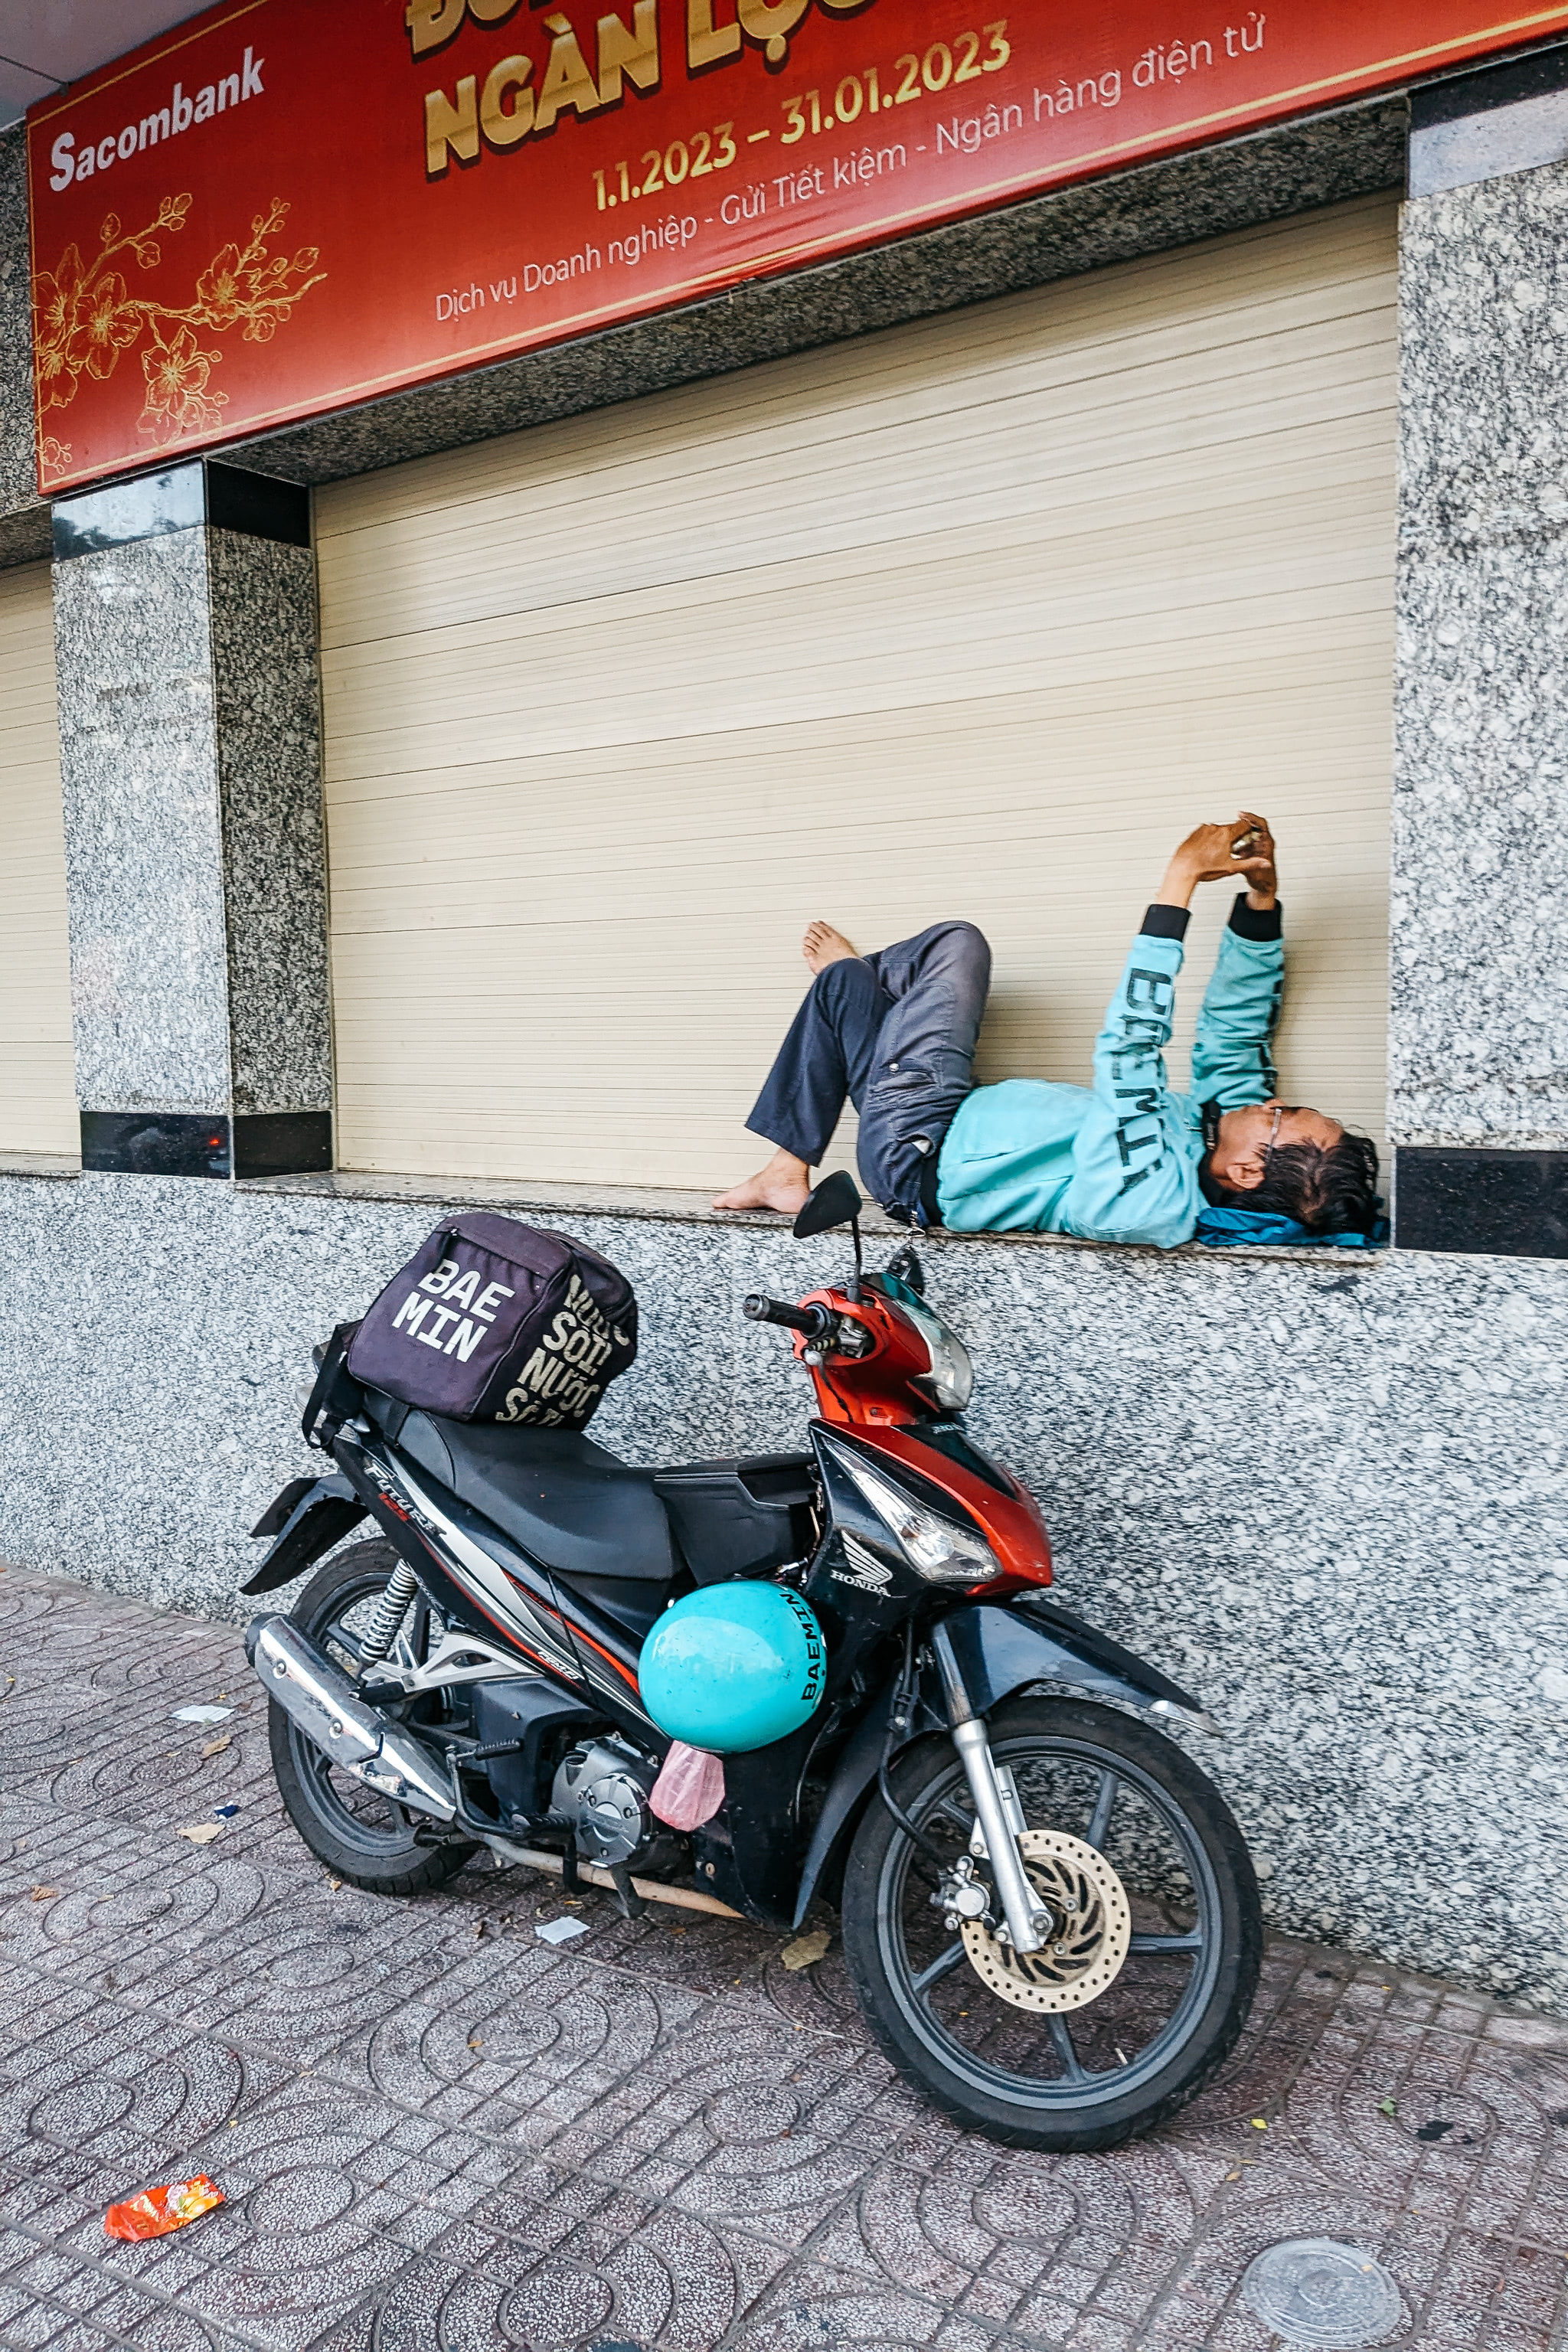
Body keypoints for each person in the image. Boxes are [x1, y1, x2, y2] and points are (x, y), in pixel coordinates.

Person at [712, 815, 1382, 1247]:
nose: (1272, 1100)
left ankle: (861, 1000)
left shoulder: (1152, 1199)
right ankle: (794, 1141)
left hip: (918, 1152)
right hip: (948, 1107)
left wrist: (1178, 883)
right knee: (848, 987)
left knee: (956, 946)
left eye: (1283, 1114)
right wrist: (1261, 898)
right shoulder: (1218, 1133)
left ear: (1246, 1170)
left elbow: (1131, 1055)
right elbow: (1236, 1029)